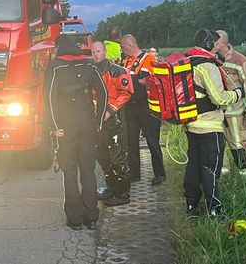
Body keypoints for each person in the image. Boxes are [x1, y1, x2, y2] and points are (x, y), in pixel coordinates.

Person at [45, 35, 108, 231]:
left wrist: (54, 126)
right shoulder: (89, 64)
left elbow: (48, 98)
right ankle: (91, 216)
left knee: (70, 171)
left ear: (59, 48)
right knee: (88, 171)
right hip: (88, 126)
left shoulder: (55, 66)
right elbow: (103, 92)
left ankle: (74, 219)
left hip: (65, 128)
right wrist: (98, 121)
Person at [184, 29, 244, 218]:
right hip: (209, 128)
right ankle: (214, 211)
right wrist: (239, 94)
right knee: (210, 170)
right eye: (215, 43)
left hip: (191, 126)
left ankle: (192, 207)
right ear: (209, 44)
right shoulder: (207, 66)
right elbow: (219, 98)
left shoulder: (188, 61)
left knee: (193, 167)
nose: (217, 47)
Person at [91, 41, 134, 206]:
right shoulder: (91, 70)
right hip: (97, 119)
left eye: (98, 51)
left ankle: (123, 194)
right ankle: (112, 188)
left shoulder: (117, 71)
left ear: (105, 51)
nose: (95, 54)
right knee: (101, 156)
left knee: (116, 157)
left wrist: (110, 110)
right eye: (93, 51)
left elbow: (126, 92)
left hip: (114, 119)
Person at [120, 34, 166, 185]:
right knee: (131, 142)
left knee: (152, 141)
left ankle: (159, 174)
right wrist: (137, 81)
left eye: (122, 47)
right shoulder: (126, 61)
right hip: (130, 106)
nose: (122, 50)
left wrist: (136, 81)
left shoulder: (149, 60)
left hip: (148, 107)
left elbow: (152, 81)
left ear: (129, 46)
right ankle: (134, 173)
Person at [212, 30, 246, 176]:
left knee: (239, 145)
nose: (211, 44)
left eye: (214, 42)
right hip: (216, 114)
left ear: (221, 43)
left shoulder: (240, 60)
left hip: (235, 114)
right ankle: (224, 177)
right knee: (218, 147)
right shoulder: (210, 59)